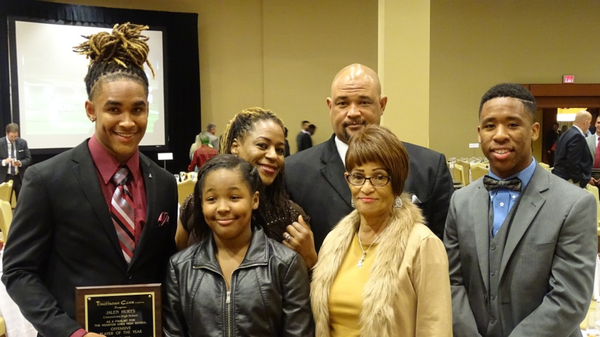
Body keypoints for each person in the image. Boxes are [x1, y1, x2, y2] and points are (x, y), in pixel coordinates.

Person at [2, 23, 178, 337]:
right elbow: (19, 271)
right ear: (90, 109)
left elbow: (163, 267)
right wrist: (69, 332)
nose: (127, 121)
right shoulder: (46, 179)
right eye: (114, 109)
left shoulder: (163, 183)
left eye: (137, 109)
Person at [444, 83, 596, 337]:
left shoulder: (575, 204)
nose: (500, 134)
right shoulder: (460, 201)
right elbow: (452, 282)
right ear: (480, 132)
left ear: (534, 131)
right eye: (490, 126)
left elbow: (569, 300)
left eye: (513, 124)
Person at [285, 63, 453, 250]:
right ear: (330, 106)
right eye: (343, 103)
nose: (353, 112)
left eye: (364, 102)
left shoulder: (429, 166)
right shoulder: (293, 172)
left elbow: (444, 249)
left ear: (382, 105)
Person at [311, 125, 451, 336]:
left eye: (379, 177)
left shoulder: (423, 244)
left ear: (397, 182)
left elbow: (435, 328)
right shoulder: (333, 241)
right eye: (358, 176)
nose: (366, 187)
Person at [163, 155, 314, 336]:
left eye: (234, 197)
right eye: (211, 199)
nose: (223, 207)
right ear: (201, 204)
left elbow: (298, 331)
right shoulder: (180, 267)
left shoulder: (285, 264)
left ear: (254, 200)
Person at [176, 107, 318, 268]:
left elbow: (305, 285)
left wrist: (311, 260)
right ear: (235, 146)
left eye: (279, 150)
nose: (273, 156)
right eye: (263, 145)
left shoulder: (290, 217)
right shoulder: (197, 206)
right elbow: (178, 265)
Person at [552, 110, 593, 187]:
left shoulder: (565, 134)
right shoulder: (577, 136)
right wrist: (579, 180)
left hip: (560, 177)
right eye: (590, 122)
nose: (589, 126)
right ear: (585, 122)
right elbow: (573, 162)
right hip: (569, 180)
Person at [0, 122, 31, 199]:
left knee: (22, 200)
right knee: (5, 201)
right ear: (6, 133)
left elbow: (28, 159)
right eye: (11, 136)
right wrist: (4, 162)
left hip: (19, 176)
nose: (14, 138)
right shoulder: (0, 143)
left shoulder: (22, 142)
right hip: (5, 176)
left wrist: (20, 163)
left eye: (16, 136)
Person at [587, 115, 600, 185]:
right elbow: (582, 161)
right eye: (599, 122)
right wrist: (587, 177)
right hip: (589, 178)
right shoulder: (586, 141)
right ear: (595, 124)